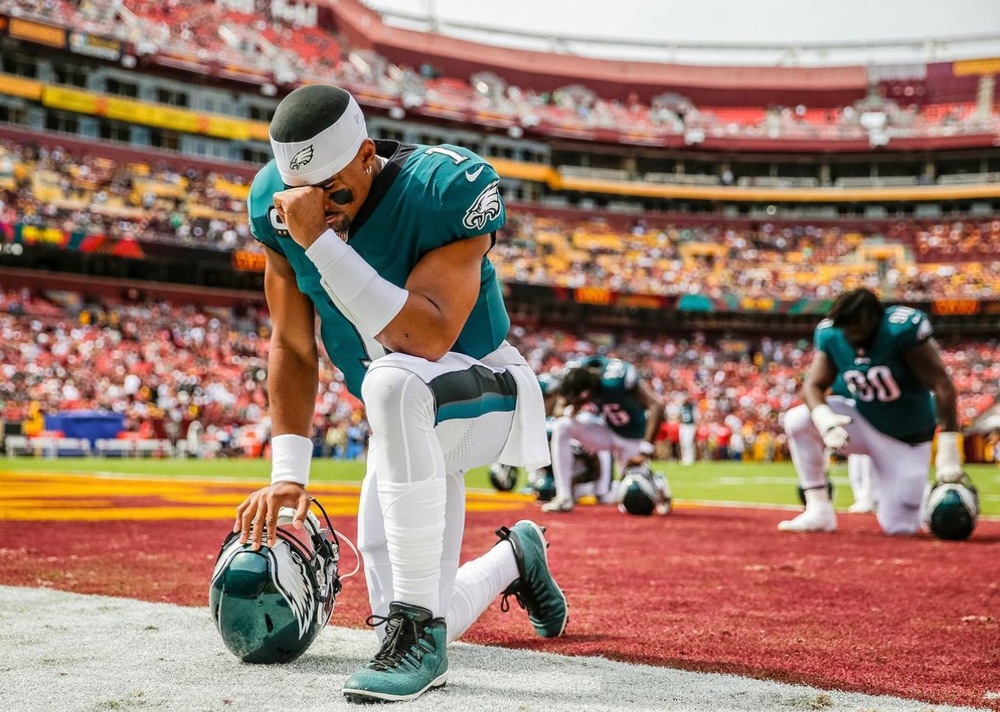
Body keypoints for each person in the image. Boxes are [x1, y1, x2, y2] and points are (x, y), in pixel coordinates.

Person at [232, 86, 566, 703]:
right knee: (396, 613)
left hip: (480, 392)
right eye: (303, 196)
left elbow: (426, 336)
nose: (320, 210)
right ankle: (514, 560)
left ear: (366, 156)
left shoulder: (445, 187)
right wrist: (289, 472)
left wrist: (320, 243)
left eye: (334, 192)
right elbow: (293, 345)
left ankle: (420, 635)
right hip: (401, 410)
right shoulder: (272, 206)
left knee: (392, 378)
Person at [780, 289, 965, 535]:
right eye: (848, 327)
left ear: (876, 319)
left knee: (899, 528)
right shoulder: (832, 334)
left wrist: (949, 450)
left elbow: (942, 385)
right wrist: (826, 423)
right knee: (798, 419)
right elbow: (812, 387)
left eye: (859, 326)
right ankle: (818, 509)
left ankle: (926, 496)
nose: (853, 334)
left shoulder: (900, 331)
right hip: (864, 422)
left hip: (905, 438)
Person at [542, 355, 665, 513]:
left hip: (633, 438)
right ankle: (564, 496)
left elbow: (656, 406)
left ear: (586, 392)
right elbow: (561, 409)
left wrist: (646, 450)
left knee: (634, 496)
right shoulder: (577, 375)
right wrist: (573, 408)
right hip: (607, 432)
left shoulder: (616, 378)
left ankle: (659, 484)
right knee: (562, 426)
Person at [679, 398, 697, 465]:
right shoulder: (681, 407)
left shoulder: (692, 407)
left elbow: (695, 417)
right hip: (683, 425)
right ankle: (684, 458)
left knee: (688, 442)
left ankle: (690, 458)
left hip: (690, 426)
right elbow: (680, 416)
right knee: (683, 443)